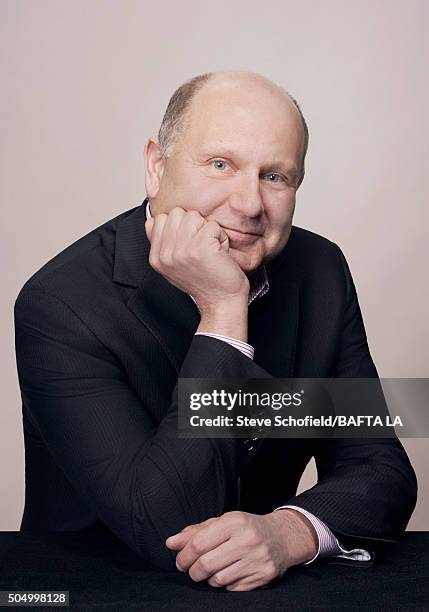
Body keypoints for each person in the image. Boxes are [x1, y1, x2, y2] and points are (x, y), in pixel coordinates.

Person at [14, 70, 417, 592]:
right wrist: (225, 312)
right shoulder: (62, 304)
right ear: (157, 168)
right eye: (221, 165)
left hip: (268, 592)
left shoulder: (320, 270)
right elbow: (166, 525)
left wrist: (289, 530)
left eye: (276, 176)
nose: (249, 204)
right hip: (94, 587)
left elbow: (380, 467)